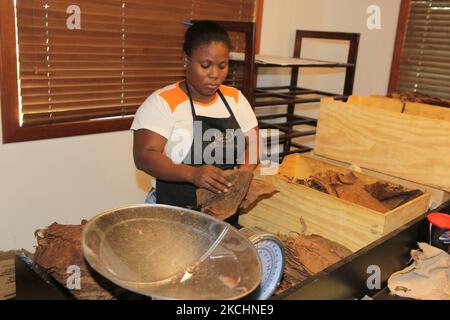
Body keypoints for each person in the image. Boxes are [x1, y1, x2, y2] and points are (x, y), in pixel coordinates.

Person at [131, 21, 259, 226]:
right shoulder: (163, 102)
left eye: (222, 65)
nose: (215, 74)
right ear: (186, 60)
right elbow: (144, 156)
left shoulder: (235, 99)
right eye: (205, 65)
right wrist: (192, 174)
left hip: (221, 215)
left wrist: (242, 176)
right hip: (170, 213)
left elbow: (253, 142)